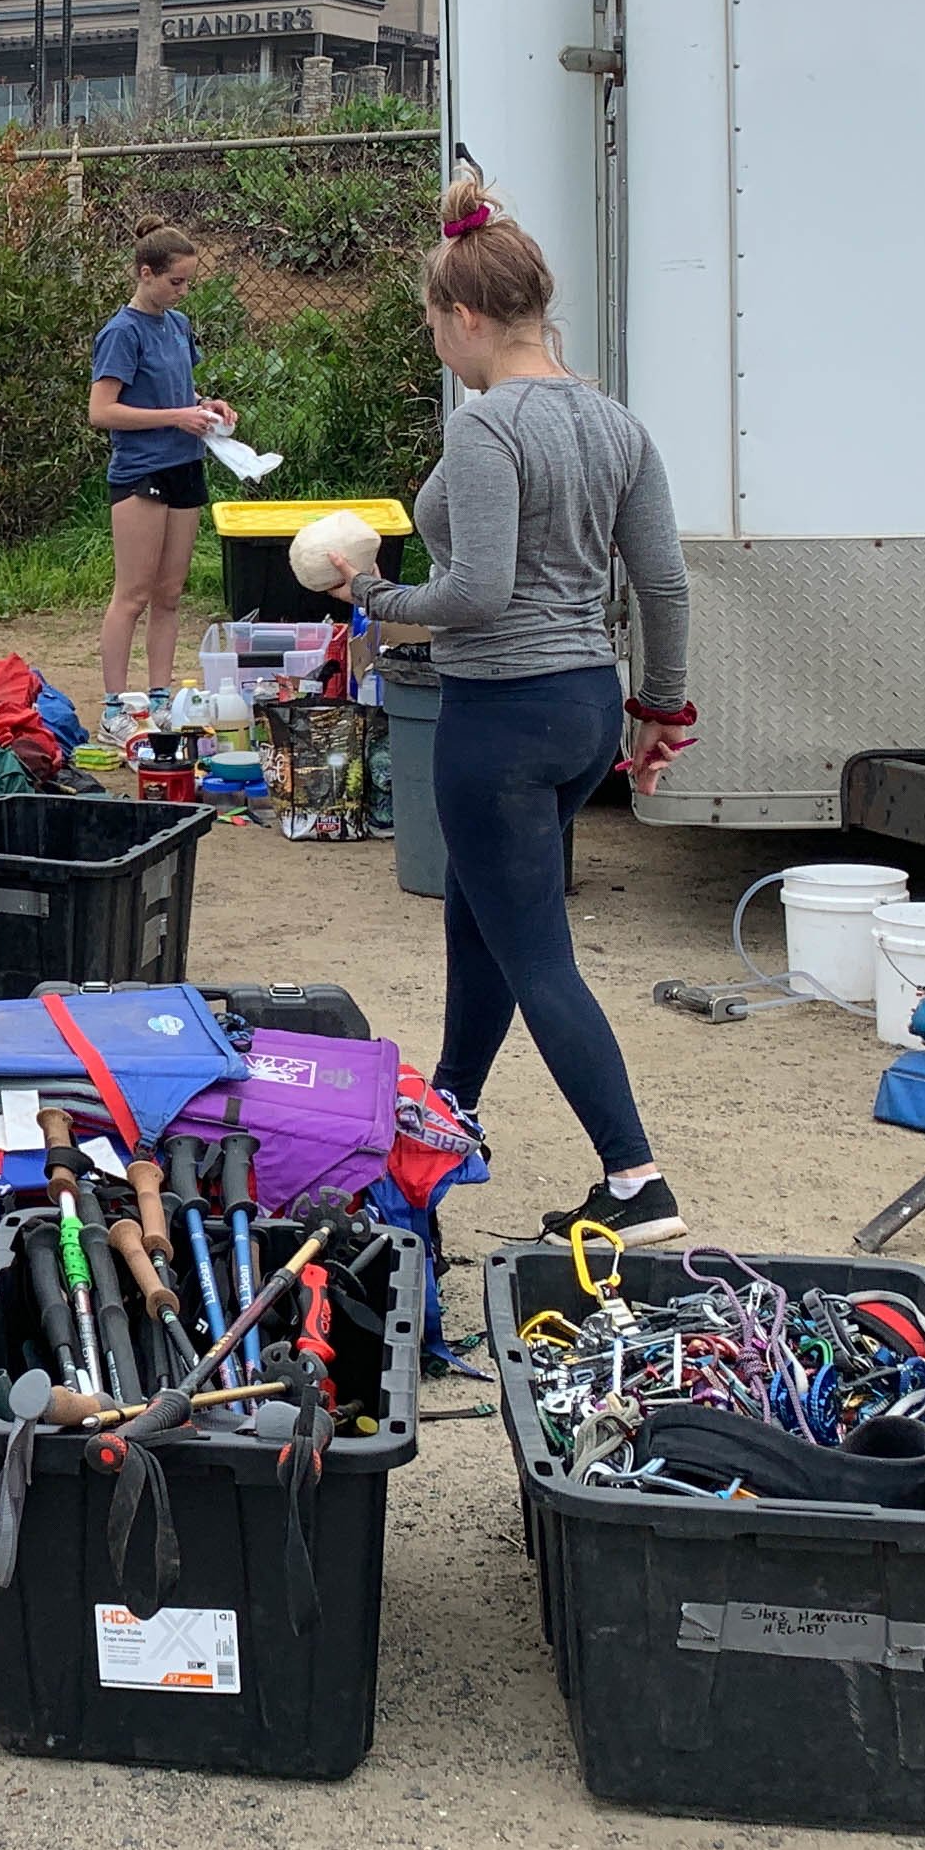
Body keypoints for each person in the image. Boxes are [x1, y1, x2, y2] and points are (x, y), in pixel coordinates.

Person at [338, 162, 697, 1245]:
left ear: (467, 315)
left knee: (536, 948)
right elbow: (664, 585)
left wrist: (368, 595)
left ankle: (636, 1180)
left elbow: (475, 595)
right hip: (586, 702)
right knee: (481, 917)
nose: (435, 347)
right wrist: (660, 709)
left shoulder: (486, 427)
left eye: (434, 326)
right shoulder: (616, 425)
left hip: (499, 714)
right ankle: (454, 1105)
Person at [88, 227, 236, 707]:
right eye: (175, 282)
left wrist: (205, 406)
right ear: (145, 274)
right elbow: (102, 411)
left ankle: (158, 697)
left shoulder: (177, 324)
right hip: (141, 473)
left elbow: (176, 392)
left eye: (187, 283)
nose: (182, 291)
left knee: (170, 592)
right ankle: (113, 704)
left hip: (185, 466)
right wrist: (177, 417)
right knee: (133, 593)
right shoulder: (120, 333)